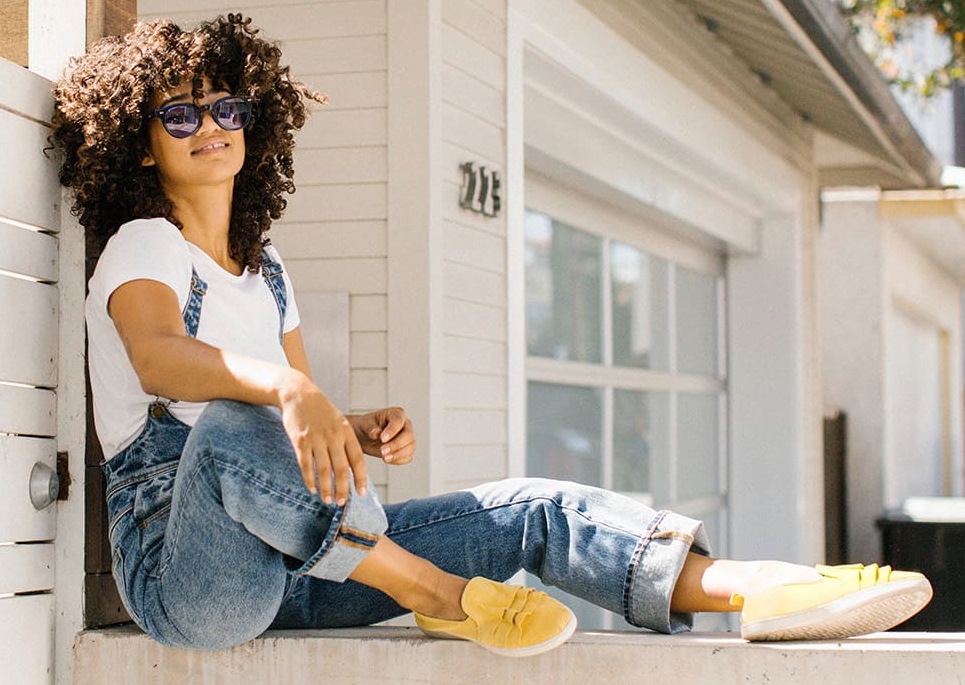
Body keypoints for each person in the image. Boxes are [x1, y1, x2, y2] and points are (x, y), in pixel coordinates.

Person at [50, 14, 932, 656]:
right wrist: (290, 389)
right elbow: (160, 358)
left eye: (225, 109)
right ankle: (437, 593)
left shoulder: (266, 269)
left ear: (254, 122)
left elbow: (296, 434)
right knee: (235, 419)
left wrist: (350, 426)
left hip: (309, 568)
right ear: (142, 145)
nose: (209, 127)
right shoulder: (145, 244)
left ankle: (757, 587)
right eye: (180, 116)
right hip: (192, 584)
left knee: (530, 508)